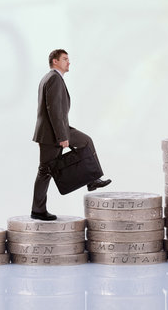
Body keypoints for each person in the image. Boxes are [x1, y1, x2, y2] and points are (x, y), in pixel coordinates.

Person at [31, 49, 111, 221]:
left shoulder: (52, 78)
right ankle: (37, 210)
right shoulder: (53, 78)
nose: (69, 62)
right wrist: (62, 137)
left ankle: (92, 179)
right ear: (55, 61)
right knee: (44, 171)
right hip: (51, 134)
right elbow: (54, 110)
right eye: (65, 59)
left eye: (68, 59)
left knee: (85, 141)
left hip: (57, 130)